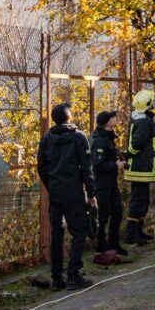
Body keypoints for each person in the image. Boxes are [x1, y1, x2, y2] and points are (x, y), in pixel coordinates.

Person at [36, 103, 96, 290]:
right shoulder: (78, 137)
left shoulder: (47, 138)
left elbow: (41, 167)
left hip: (56, 192)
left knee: (57, 234)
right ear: (68, 117)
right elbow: (86, 167)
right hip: (74, 192)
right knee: (79, 231)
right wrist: (91, 192)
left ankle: (56, 278)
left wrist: (51, 185)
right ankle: (73, 274)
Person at [123, 89, 155, 245]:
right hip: (141, 168)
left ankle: (138, 231)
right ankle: (132, 234)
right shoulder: (144, 121)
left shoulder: (140, 119)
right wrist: (128, 154)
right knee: (138, 202)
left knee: (142, 201)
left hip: (142, 167)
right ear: (148, 104)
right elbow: (137, 143)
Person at [90, 110, 127, 258]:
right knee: (104, 215)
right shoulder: (99, 140)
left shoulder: (109, 138)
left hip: (111, 183)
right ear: (106, 123)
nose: (115, 119)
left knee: (117, 213)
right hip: (102, 184)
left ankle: (114, 243)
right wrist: (115, 165)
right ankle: (101, 244)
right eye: (113, 117)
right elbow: (97, 165)